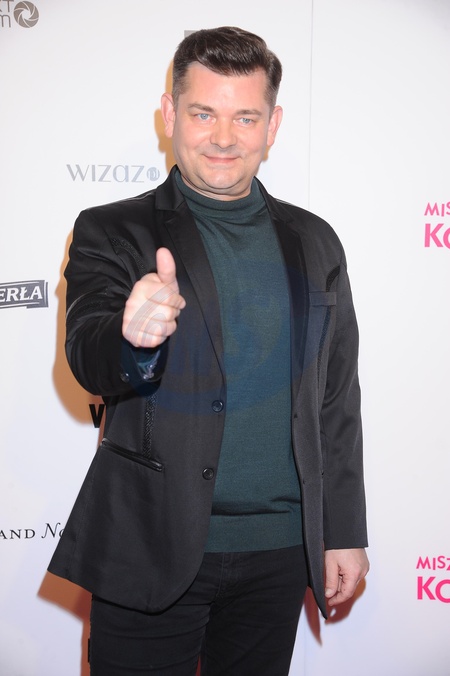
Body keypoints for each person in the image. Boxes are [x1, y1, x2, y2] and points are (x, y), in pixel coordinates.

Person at [49, 26, 369, 676]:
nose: (224, 137)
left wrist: (343, 530)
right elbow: (87, 356)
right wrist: (132, 337)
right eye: (203, 114)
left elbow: (336, 398)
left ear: (272, 126)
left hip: (279, 553)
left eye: (245, 117)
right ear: (170, 115)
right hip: (148, 543)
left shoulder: (316, 240)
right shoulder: (112, 229)